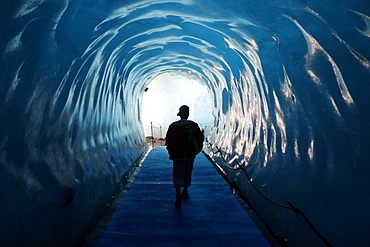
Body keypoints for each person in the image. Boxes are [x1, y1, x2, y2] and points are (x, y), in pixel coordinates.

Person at [165, 105, 204, 209]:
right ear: (188, 114)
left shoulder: (173, 126)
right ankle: (185, 190)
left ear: (179, 114)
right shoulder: (193, 125)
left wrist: (171, 152)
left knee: (177, 173)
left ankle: (178, 193)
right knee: (188, 172)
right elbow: (200, 139)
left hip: (177, 156)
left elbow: (168, 141)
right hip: (190, 155)